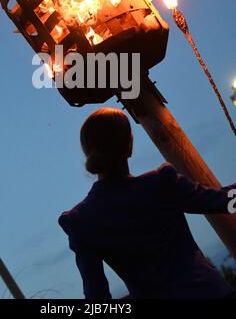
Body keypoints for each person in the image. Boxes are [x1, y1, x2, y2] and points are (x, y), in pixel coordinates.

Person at [58, 107, 236, 299]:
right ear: (129, 145)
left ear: (88, 152)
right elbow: (223, 201)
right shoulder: (161, 183)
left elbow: (96, 297)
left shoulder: (79, 222)